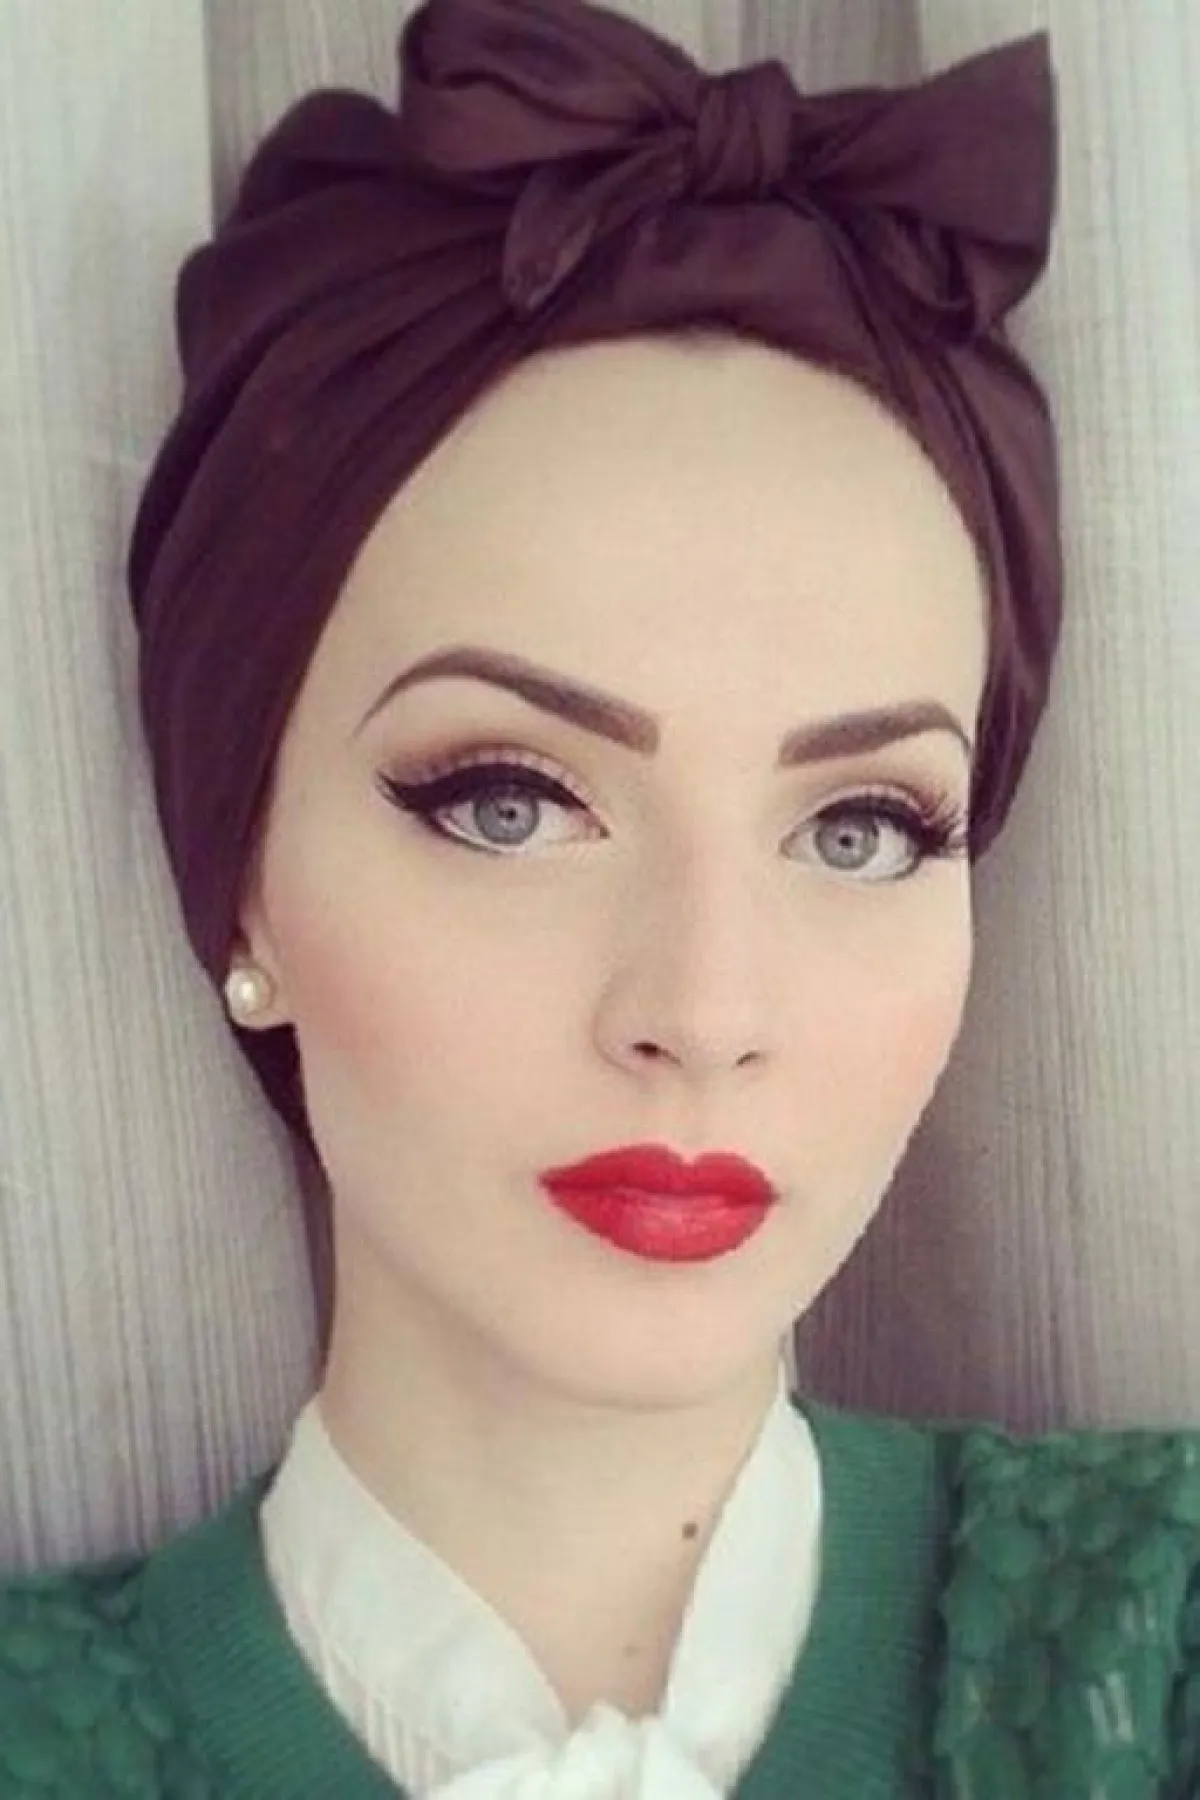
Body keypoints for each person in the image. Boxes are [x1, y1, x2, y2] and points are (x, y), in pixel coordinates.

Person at [4, 1, 1200, 1796]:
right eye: (510, 803)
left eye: (861, 829)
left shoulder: (1154, 1642)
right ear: (240, 885)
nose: (704, 1011)